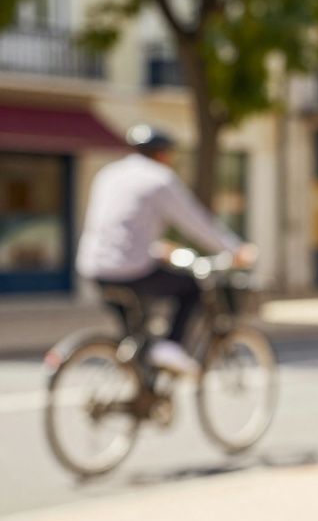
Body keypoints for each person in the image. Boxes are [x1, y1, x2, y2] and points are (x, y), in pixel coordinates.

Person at [76, 124, 257, 375]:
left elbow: (116, 224)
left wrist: (153, 248)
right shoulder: (160, 178)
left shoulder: (108, 174)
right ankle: (171, 346)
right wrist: (235, 249)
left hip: (94, 267)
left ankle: (142, 382)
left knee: (137, 335)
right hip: (132, 269)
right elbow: (196, 223)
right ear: (163, 154)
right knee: (192, 288)